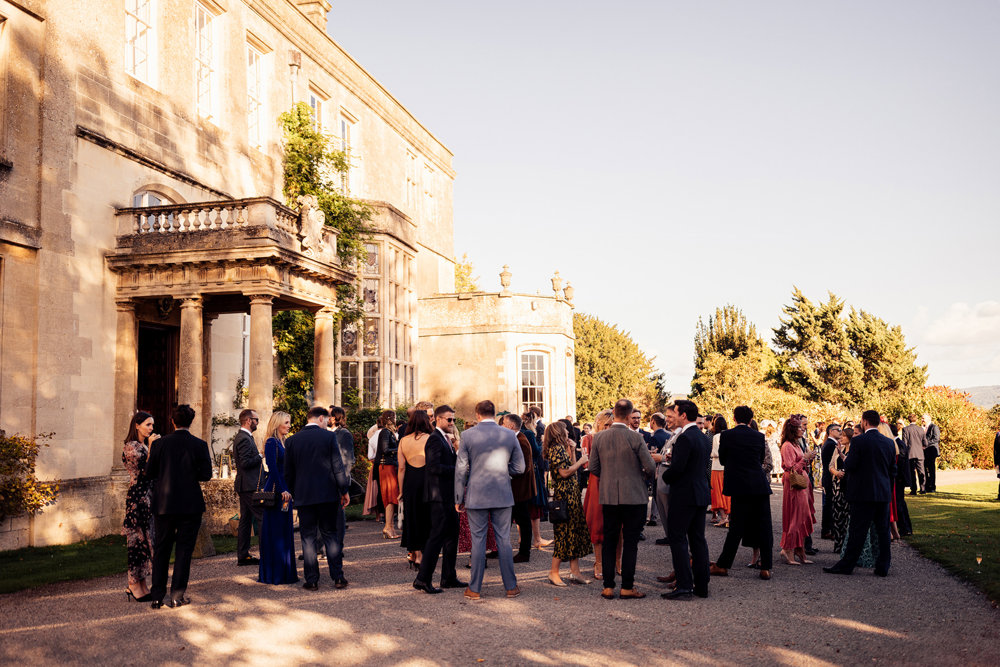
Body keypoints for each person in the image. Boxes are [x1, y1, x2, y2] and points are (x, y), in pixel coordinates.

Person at [454, 400, 525, 600]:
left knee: (478, 541)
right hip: (502, 493)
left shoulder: (467, 435)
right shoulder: (509, 434)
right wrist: (504, 472)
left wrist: (459, 496)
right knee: (504, 540)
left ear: (477, 415)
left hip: (476, 494)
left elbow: (461, 469)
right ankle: (511, 587)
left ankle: (475, 589)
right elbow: (520, 468)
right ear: (494, 414)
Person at [145, 404, 212, 608]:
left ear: (172, 421)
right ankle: (176, 595)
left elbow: (150, 473)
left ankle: (157, 595)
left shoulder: (159, 444)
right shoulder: (199, 445)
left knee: (162, 549)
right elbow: (206, 475)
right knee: (184, 551)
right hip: (190, 504)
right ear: (190, 422)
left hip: (164, 504)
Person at [590, 398, 656, 600]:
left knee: (610, 541)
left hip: (609, 495)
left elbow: (593, 468)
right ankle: (627, 586)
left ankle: (608, 586)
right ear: (629, 416)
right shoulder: (635, 438)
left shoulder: (599, 438)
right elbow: (651, 467)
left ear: (614, 412)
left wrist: (609, 477)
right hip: (634, 496)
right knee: (630, 542)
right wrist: (642, 476)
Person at [284, 406, 351, 591]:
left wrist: (293, 493)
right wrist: (344, 490)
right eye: (327, 419)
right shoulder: (329, 437)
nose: (328, 423)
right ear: (320, 418)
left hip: (304, 496)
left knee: (308, 537)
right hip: (328, 494)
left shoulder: (292, 441)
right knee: (330, 535)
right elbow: (338, 467)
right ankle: (338, 577)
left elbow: (288, 473)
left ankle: (312, 580)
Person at [824, 410, 896, 577]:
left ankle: (847, 565)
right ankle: (883, 566)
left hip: (863, 494)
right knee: (883, 531)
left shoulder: (859, 441)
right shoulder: (888, 442)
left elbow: (852, 465)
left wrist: (844, 458)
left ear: (864, 422)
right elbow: (893, 470)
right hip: (882, 493)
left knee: (858, 531)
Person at [710, 405, 774, 581]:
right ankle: (766, 567)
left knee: (736, 528)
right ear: (751, 419)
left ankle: (724, 564)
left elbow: (722, 459)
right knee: (765, 526)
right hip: (759, 484)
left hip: (739, 485)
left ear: (734, 418)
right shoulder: (759, 436)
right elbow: (760, 459)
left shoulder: (727, 435)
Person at [660, 400, 712, 600]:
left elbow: (678, 469)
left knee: (678, 539)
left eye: (674, 412)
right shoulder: (702, 437)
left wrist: (664, 476)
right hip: (700, 492)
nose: (671, 416)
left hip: (684, 494)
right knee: (698, 540)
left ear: (683, 415)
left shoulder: (685, 438)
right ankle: (702, 585)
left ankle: (683, 585)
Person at [413, 405, 466, 593]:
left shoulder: (445, 439)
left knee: (452, 537)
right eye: (449, 419)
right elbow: (434, 468)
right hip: (439, 497)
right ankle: (422, 579)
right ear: (437, 419)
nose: (452, 423)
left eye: (454, 419)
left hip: (448, 496)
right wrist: (459, 470)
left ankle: (449, 577)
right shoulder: (434, 439)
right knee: (436, 538)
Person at [543, 420, 592, 586]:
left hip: (571, 493)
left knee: (574, 532)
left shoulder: (561, 448)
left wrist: (572, 450)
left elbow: (570, 465)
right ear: (558, 433)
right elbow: (564, 472)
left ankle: (575, 572)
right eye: (564, 431)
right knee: (564, 533)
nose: (567, 433)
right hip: (565, 495)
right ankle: (553, 572)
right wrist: (581, 460)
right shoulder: (555, 449)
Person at [122, 410, 159, 602]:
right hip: (138, 499)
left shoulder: (143, 446)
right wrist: (152, 447)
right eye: (148, 425)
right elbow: (145, 472)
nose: (151, 429)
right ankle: (133, 585)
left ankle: (143, 584)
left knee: (146, 541)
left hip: (148, 497)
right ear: (137, 425)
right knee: (136, 542)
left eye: (152, 425)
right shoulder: (131, 447)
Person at [258, 411, 297, 585]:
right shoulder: (271, 442)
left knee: (284, 531)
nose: (289, 425)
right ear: (278, 424)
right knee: (275, 532)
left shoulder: (283, 442)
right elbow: (273, 469)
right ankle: (274, 574)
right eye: (286, 422)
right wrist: (282, 490)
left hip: (285, 490)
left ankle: (285, 572)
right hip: (276, 492)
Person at [582, 409, 618, 577]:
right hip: (597, 481)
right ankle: (599, 562)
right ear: (598, 424)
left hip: (617, 482)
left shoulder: (619, 437)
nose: (609, 428)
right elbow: (587, 463)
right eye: (606, 425)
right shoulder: (590, 438)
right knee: (598, 523)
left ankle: (618, 561)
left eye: (611, 424)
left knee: (620, 525)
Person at [398, 409, 433, 570]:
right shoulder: (430, 439)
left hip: (410, 482)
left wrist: (400, 490)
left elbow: (401, 468)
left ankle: (415, 553)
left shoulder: (404, 441)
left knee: (411, 517)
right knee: (426, 517)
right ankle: (423, 554)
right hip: (427, 481)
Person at [779, 416, 816, 565]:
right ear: (793, 429)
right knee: (795, 516)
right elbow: (790, 468)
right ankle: (788, 549)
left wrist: (808, 458)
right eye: (800, 427)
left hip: (802, 485)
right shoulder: (787, 446)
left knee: (802, 516)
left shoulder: (796, 444)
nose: (803, 429)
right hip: (795, 485)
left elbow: (800, 464)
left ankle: (799, 548)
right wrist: (804, 458)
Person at [503, 413, 536, 563]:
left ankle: (524, 552)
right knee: (507, 520)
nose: (501, 426)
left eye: (503, 424)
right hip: (515, 489)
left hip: (520, 490)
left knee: (523, 521)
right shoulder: (515, 438)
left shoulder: (521, 441)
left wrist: (503, 469)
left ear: (510, 426)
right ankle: (499, 548)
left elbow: (523, 467)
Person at [233, 408, 263, 566]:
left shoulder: (245, 437)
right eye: (256, 419)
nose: (258, 422)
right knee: (261, 517)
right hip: (248, 485)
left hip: (246, 484)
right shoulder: (244, 438)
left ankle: (243, 555)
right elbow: (245, 463)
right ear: (248, 420)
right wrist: (260, 456)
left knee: (245, 520)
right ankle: (266, 553)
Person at [329, 406, 354, 574]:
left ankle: (338, 549)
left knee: (338, 519)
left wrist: (342, 485)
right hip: (325, 483)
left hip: (338, 482)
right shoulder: (326, 433)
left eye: (329, 415)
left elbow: (347, 460)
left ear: (335, 417)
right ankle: (321, 548)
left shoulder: (343, 434)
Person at [521, 410, 552, 549]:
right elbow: (536, 450)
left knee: (525, 507)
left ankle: (523, 538)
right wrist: (544, 443)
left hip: (525, 471)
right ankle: (537, 538)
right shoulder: (528, 433)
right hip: (532, 471)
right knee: (535, 505)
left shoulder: (521, 432)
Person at [374, 410, 401, 539]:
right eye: (395, 417)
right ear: (391, 418)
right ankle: (388, 527)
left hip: (389, 466)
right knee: (390, 496)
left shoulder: (388, 432)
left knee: (391, 496)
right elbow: (385, 449)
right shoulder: (385, 432)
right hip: (387, 466)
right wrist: (399, 449)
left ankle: (390, 527)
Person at [648, 413, 673, 546]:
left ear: (653, 422)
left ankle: (670, 534)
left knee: (662, 502)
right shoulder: (669, 435)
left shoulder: (654, 437)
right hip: (666, 473)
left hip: (660, 471)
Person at [828, 427, 853, 553]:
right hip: (837, 486)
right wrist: (836, 472)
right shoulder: (838, 449)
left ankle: (848, 546)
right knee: (838, 516)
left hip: (849, 486)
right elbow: (830, 465)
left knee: (848, 516)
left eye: (843, 436)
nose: (841, 438)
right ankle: (838, 545)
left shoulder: (854, 450)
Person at [820, 424, 842, 540]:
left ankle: (828, 529)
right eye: (838, 430)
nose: (840, 432)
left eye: (841, 430)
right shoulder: (830, 444)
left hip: (828, 477)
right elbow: (830, 465)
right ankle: (827, 530)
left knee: (829, 503)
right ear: (830, 431)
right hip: (829, 477)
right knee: (829, 504)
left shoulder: (830, 443)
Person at [709, 414, 731, 528]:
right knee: (726, 492)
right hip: (727, 467)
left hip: (717, 467)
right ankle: (728, 516)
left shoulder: (716, 436)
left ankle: (723, 517)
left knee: (718, 493)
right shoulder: (729, 435)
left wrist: (710, 453)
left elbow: (716, 452)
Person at [901, 414, 927, 495]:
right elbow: (925, 442)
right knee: (921, 471)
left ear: (908, 420)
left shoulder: (905, 429)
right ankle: (923, 489)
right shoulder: (921, 429)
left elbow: (904, 443)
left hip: (910, 453)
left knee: (912, 472)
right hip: (919, 453)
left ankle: (914, 489)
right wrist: (922, 447)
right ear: (916, 420)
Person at [922, 414, 940, 493]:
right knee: (924, 469)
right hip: (924, 452)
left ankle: (932, 487)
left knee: (931, 470)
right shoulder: (922, 428)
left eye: (923, 418)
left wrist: (925, 444)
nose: (922, 420)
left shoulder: (934, 427)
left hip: (931, 451)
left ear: (928, 419)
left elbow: (936, 438)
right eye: (922, 418)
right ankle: (926, 486)